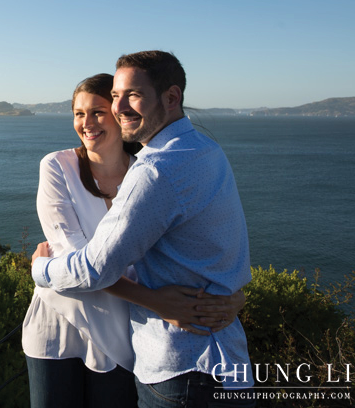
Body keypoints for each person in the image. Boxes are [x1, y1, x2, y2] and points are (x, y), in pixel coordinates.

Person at [32, 51, 255, 408]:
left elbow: (93, 269)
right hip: (228, 365)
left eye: (132, 95)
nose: (120, 107)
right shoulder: (207, 150)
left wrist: (40, 269)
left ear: (171, 97)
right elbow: (226, 248)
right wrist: (234, 293)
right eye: (115, 96)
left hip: (180, 368)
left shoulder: (153, 170)